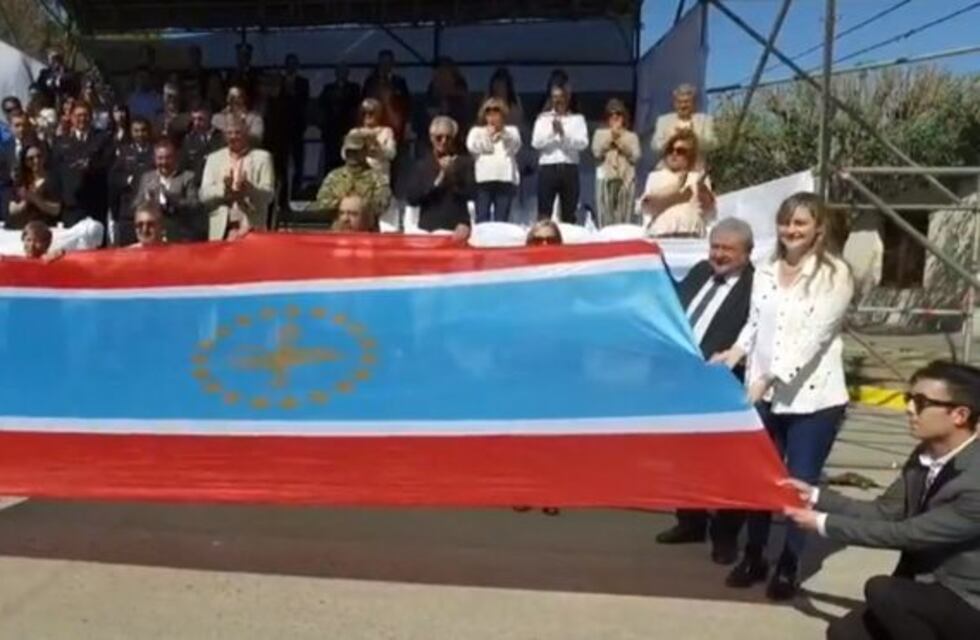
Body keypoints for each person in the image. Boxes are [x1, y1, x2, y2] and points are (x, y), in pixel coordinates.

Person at [712, 192, 854, 600]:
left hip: (813, 400)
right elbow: (755, 323)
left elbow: (815, 338)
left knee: (797, 483)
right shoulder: (766, 269)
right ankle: (754, 555)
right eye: (786, 222)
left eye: (800, 223)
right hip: (762, 395)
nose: (791, 230)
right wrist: (735, 353)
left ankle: (789, 563)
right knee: (760, 478)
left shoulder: (834, 275)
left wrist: (770, 377)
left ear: (818, 229)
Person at [782, 361, 980, 640]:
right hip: (925, 589)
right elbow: (884, 512)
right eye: (909, 398)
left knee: (884, 592)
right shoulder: (925, 455)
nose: (909, 408)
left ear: (959, 415)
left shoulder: (975, 481)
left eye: (921, 402)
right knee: (844, 633)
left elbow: (907, 534)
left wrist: (822, 523)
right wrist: (814, 496)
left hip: (968, 600)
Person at [655, 218, 756, 565]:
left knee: (727, 466)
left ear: (747, 253)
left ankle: (725, 536)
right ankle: (690, 521)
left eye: (728, 249)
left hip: (723, 387)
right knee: (683, 457)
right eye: (715, 246)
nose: (719, 254)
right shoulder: (700, 271)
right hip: (680, 384)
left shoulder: (757, 286)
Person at [199, 115, 275, 240]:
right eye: (229, 133)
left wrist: (250, 189)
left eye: (237, 132)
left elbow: (269, 195)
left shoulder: (263, 158)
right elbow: (203, 195)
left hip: (252, 228)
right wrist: (223, 190)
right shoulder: (213, 159)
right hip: (222, 231)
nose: (233, 136)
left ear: (247, 133)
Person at [405, 116, 473, 238]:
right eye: (439, 137)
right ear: (431, 138)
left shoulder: (464, 163)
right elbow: (412, 198)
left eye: (448, 138)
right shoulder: (422, 165)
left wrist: (453, 176)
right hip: (429, 231)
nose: (444, 141)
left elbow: (471, 193)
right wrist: (438, 180)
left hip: (456, 230)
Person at [641, 129, 715, 238]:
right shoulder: (655, 176)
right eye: (670, 150)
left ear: (690, 155)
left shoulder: (698, 177)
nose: (674, 153)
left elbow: (708, 210)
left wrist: (701, 188)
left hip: (692, 235)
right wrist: (677, 190)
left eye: (680, 151)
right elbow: (648, 206)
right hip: (662, 234)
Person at [531, 84, 588, 223]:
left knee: (569, 212)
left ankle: (568, 236)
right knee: (544, 212)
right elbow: (536, 142)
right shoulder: (543, 119)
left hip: (569, 168)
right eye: (554, 97)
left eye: (561, 97)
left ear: (567, 98)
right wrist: (552, 133)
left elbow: (583, 143)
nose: (558, 101)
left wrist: (563, 135)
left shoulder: (577, 119)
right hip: (548, 168)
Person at [52, 101, 113, 228]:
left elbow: (109, 163)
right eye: (78, 115)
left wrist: (91, 165)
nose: (82, 119)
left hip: (95, 203)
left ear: (91, 117)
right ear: (71, 118)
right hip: (71, 205)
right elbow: (56, 171)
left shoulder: (103, 138)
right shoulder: (61, 141)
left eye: (85, 115)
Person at [135, 139, 203, 242]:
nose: (164, 162)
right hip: (153, 236)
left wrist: (174, 199)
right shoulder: (147, 178)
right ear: (154, 159)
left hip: (180, 234)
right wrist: (147, 200)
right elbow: (136, 204)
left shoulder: (187, 177)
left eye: (168, 158)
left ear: (175, 158)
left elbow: (194, 204)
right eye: (160, 158)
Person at [314, 131, 391, 223]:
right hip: (339, 226)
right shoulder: (334, 176)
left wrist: (358, 205)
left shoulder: (377, 178)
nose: (352, 155)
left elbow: (382, 204)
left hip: (366, 227)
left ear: (365, 152)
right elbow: (321, 202)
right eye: (349, 152)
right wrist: (342, 204)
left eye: (356, 152)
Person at [466, 97, 521, 223]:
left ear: (503, 115)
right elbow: (472, 148)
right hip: (483, 180)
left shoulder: (512, 131)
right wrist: (488, 137)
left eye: (496, 113)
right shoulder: (476, 132)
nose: (492, 117)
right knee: (482, 218)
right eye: (489, 114)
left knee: (502, 220)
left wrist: (503, 134)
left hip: (505, 179)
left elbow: (514, 147)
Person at [591, 99, 641, 227]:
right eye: (611, 114)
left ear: (623, 116)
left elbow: (636, 157)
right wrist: (611, 138)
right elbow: (597, 153)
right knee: (605, 217)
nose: (615, 117)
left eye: (618, 114)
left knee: (625, 217)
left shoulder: (631, 136)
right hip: (606, 178)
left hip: (626, 178)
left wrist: (621, 142)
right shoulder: (600, 134)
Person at [109, 117, 155, 246]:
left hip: (150, 211)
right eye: (136, 131)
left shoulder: (155, 151)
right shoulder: (124, 152)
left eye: (143, 130)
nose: (140, 134)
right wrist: (128, 180)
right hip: (128, 212)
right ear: (131, 132)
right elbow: (113, 178)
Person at [652, 84, 717, 168]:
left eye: (686, 102)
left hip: (695, 169)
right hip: (667, 169)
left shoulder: (705, 120)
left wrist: (693, 137)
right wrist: (673, 138)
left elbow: (712, 144)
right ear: (674, 103)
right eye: (679, 102)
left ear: (693, 103)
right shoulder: (663, 121)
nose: (683, 106)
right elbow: (655, 146)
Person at [317, 63, 362, 176]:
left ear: (348, 73)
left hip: (348, 132)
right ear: (336, 73)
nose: (342, 73)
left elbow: (357, 108)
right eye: (340, 71)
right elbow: (321, 108)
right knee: (330, 164)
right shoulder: (328, 89)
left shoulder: (354, 88)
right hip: (331, 133)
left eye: (344, 71)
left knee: (348, 162)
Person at [6, 144, 61, 230]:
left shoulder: (52, 180)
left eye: (39, 156)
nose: (36, 161)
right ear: (25, 162)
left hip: (43, 228)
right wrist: (26, 201)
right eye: (31, 159)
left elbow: (56, 210)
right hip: (19, 228)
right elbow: (12, 210)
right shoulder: (20, 182)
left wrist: (36, 199)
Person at [282, 54, 311, 196]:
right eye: (289, 63)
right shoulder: (279, 81)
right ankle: (282, 189)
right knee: (282, 161)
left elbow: (304, 102)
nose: (291, 67)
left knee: (298, 160)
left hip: (297, 127)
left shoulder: (303, 82)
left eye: (294, 64)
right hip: (281, 127)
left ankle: (296, 189)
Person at [350, 98, 397, 182]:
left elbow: (391, 154)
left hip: (380, 179)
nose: (367, 116)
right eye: (364, 113)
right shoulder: (354, 132)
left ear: (378, 114)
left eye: (371, 113)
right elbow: (344, 154)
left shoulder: (386, 131)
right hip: (359, 179)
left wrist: (378, 148)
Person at [180, 105, 225, 186]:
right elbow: (183, 166)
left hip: (216, 183)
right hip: (195, 185)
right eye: (194, 119)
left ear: (209, 118)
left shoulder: (221, 138)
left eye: (200, 119)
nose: (196, 123)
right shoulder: (189, 140)